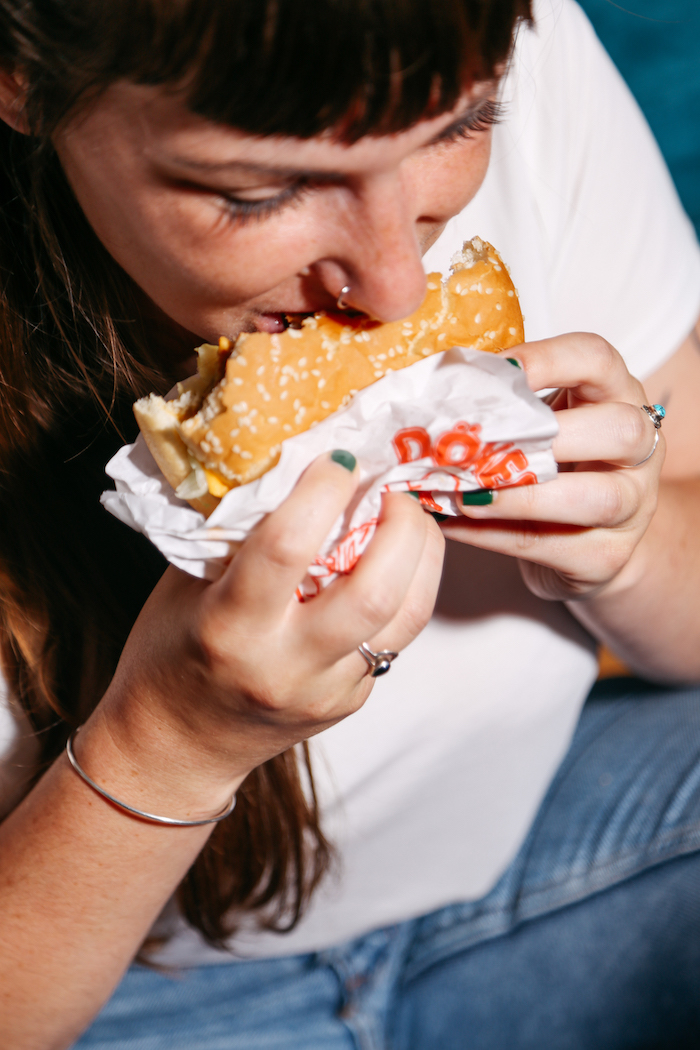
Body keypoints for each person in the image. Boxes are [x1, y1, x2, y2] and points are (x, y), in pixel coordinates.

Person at [0, 0, 699, 1047]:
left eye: (463, 126)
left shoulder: (468, 31)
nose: (395, 284)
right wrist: (168, 745)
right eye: (259, 191)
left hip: (537, 854)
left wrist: (620, 541)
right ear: (22, 83)